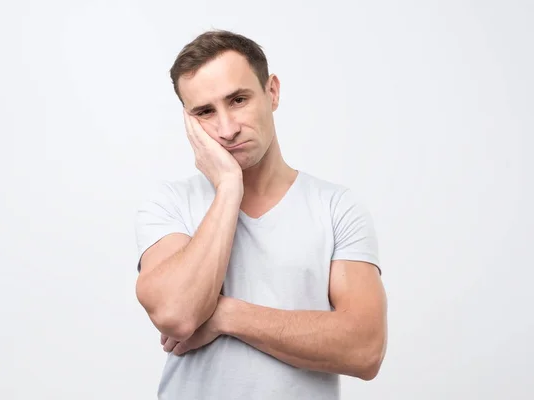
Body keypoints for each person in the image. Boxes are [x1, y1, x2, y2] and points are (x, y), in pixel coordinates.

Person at [134, 29, 388, 400]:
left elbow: (365, 349)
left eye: (238, 100)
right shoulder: (169, 203)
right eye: (205, 112)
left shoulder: (336, 207)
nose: (227, 129)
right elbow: (177, 315)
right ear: (188, 120)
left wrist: (225, 316)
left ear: (272, 92)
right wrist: (228, 188)